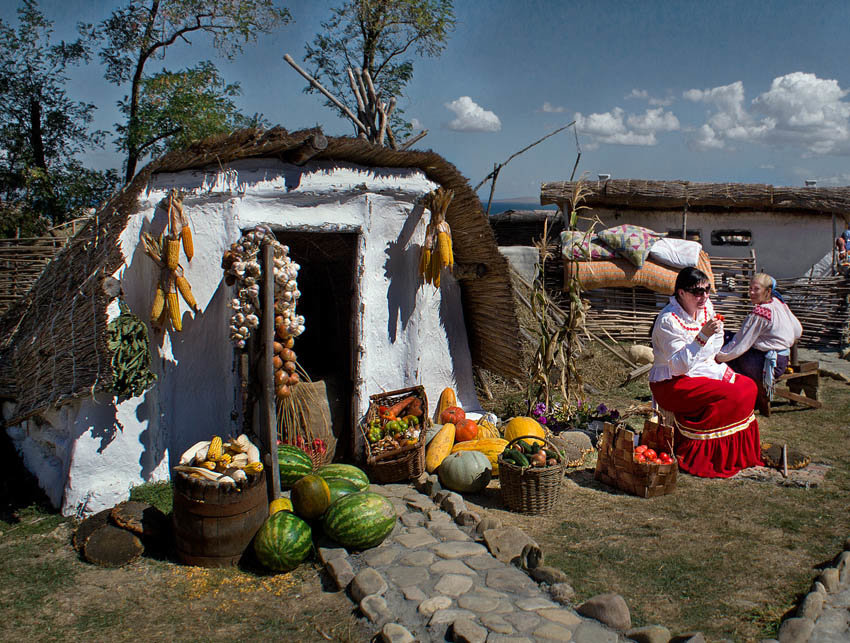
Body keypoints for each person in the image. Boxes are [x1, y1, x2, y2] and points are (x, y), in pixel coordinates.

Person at [649, 266, 763, 478]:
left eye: (707, 290)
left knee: (748, 387)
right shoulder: (668, 321)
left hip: (701, 369)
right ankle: (703, 454)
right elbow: (679, 366)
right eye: (697, 292)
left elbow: (712, 351)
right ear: (681, 293)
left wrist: (716, 333)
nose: (703, 297)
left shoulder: (706, 308)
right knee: (732, 395)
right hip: (672, 382)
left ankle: (736, 455)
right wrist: (702, 336)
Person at [716, 273, 802, 414]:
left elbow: (740, 344)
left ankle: (738, 398)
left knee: (728, 354)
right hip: (781, 361)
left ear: (768, 291)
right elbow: (797, 331)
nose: (751, 292)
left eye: (756, 289)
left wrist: (718, 357)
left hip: (766, 365)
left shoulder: (761, 313)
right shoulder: (778, 303)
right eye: (750, 288)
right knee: (730, 338)